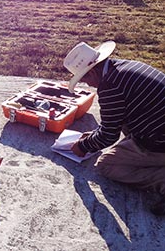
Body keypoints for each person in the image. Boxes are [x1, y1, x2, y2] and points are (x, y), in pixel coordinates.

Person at [63, 40, 165, 215]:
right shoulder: (123, 67)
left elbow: (109, 136)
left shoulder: (110, 85)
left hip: (159, 142)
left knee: (106, 165)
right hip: (158, 127)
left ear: (93, 71)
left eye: (84, 78)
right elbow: (113, 124)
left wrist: (83, 146)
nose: (87, 84)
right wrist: (95, 135)